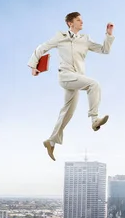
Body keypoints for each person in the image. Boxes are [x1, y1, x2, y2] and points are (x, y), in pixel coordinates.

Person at [27, 12, 115, 161]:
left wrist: (108, 35)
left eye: (82, 20)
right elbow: (41, 48)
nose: (82, 22)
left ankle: (51, 141)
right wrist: (33, 66)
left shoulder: (85, 40)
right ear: (70, 23)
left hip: (77, 78)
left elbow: (104, 50)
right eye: (78, 20)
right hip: (66, 76)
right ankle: (94, 120)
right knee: (93, 84)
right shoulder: (60, 37)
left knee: (67, 112)